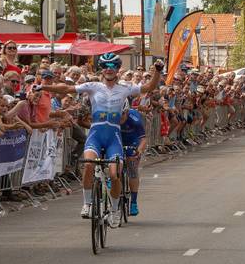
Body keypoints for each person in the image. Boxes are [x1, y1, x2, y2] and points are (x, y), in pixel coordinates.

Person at [35, 53, 163, 227]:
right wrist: (43, 87)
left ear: (117, 69)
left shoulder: (125, 87)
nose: (109, 70)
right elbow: (66, 89)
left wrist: (158, 71)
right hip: (95, 135)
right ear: (101, 69)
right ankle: (87, 203)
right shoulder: (93, 86)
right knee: (89, 165)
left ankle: (115, 210)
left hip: (113, 137)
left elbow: (148, 87)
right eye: (105, 66)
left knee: (114, 175)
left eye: (112, 66)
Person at [120, 108, 147, 216]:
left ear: (126, 112)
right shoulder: (112, 117)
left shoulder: (135, 119)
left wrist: (139, 150)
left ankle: (134, 202)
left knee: (132, 167)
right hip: (118, 140)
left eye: (122, 114)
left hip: (133, 141)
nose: (120, 116)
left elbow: (143, 139)